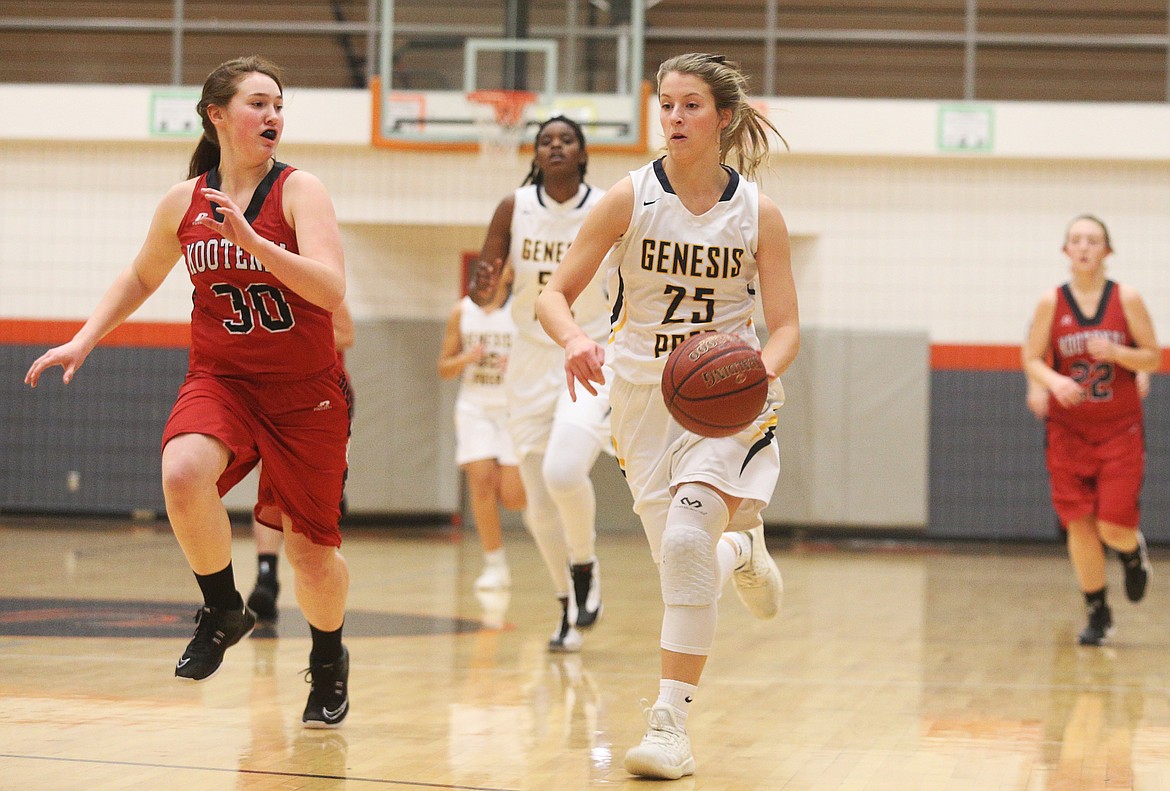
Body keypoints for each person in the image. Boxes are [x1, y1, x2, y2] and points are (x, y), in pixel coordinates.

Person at [24, 56, 353, 727]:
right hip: (223, 380)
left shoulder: (300, 190)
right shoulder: (184, 201)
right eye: (258, 104)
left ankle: (327, 659)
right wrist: (85, 336)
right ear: (217, 115)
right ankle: (223, 607)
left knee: (310, 553)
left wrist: (256, 241)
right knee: (180, 471)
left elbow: (330, 287)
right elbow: (141, 277)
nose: (273, 117)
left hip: (304, 394)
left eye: (279, 105)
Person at [537, 53, 798, 780]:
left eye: (690, 105)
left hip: (729, 402)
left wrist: (756, 372)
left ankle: (670, 724)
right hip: (642, 394)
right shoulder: (627, 198)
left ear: (722, 118)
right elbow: (552, 294)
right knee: (680, 563)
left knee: (686, 543)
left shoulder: (758, 212)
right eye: (667, 104)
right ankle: (743, 551)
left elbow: (786, 329)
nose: (676, 117)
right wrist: (575, 337)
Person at [469, 116, 611, 652]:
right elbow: (486, 288)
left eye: (566, 139)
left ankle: (586, 565)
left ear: (581, 153)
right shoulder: (514, 207)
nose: (555, 146)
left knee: (563, 470)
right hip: (528, 358)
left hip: (588, 349)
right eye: (545, 140)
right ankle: (566, 607)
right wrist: (483, 287)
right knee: (535, 503)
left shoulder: (605, 206)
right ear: (535, 154)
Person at [1022, 214, 1157, 647]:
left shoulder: (1127, 298)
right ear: (1065, 250)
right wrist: (1054, 381)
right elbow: (1031, 357)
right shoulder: (1051, 302)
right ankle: (1098, 611)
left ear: (1107, 250)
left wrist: (1120, 353)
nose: (1083, 247)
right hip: (1068, 431)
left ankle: (1132, 553)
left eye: (1093, 240)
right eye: (1076, 240)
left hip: (1119, 429)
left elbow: (1152, 357)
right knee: (1079, 523)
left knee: (1112, 525)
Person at [247, 299, 355, 622]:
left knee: (305, 500)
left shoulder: (316, 279)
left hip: (322, 394)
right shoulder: (251, 285)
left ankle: (327, 497)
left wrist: (291, 337)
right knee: (270, 487)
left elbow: (347, 334)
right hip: (271, 391)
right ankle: (266, 576)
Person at [438, 263, 526, 591]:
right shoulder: (462, 311)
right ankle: (495, 565)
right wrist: (466, 358)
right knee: (481, 482)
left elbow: (545, 362)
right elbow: (444, 368)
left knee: (514, 496)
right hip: (475, 407)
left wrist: (517, 365)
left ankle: (543, 513)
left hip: (513, 409)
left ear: (510, 275)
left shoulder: (522, 309)